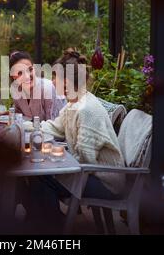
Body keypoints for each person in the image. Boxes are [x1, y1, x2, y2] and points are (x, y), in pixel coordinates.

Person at [25, 48, 125, 230]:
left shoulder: (86, 110)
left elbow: (85, 158)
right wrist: (21, 125)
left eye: (55, 76)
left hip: (104, 181)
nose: (52, 81)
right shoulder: (75, 103)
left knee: (40, 176)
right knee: (37, 174)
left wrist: (54, 158)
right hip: (88, 172)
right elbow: (54, 127)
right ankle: (47, 220)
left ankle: (51, 225)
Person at [3, 51, 65, 121]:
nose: (27, 76)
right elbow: (19, 115)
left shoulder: (47, 88)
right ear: (14, 76)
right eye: (20, 73)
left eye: (30, 69)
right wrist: (6, 113)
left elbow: (54, 123)